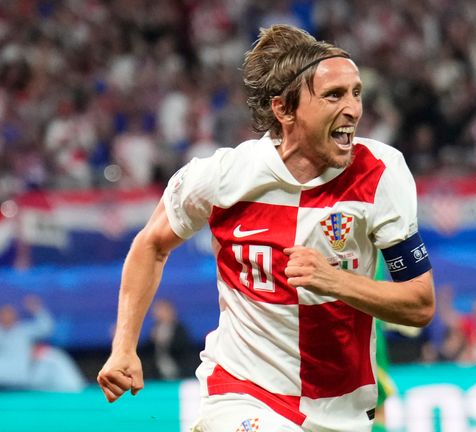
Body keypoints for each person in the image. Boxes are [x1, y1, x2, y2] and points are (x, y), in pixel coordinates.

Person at [97, 24, 436, 432]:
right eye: (334, 95)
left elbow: (419, 303)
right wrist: (123, 347)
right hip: (241, 392)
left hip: (341, 409)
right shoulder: (222, 177)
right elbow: (151, 243)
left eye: (356, 92)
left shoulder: (381, 173)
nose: (353, 109)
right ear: (284, 110)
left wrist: (334, 281)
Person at [149, 299, 196, 380]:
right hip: (159, 373)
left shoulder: (180, 328)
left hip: (180, 371)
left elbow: (182, 347)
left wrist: (165, 341)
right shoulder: (155, 329)